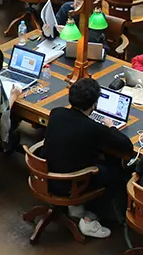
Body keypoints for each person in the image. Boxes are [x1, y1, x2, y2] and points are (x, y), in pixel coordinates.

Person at [42, 78, 133, 237]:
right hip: (70, 183)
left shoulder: (56, 113)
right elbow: (126, 146)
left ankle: (78, 207)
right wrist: (111, 126)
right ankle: (90, 217)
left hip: (46, 175)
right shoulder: (93, 128)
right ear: (94, 104)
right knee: (116, 171)